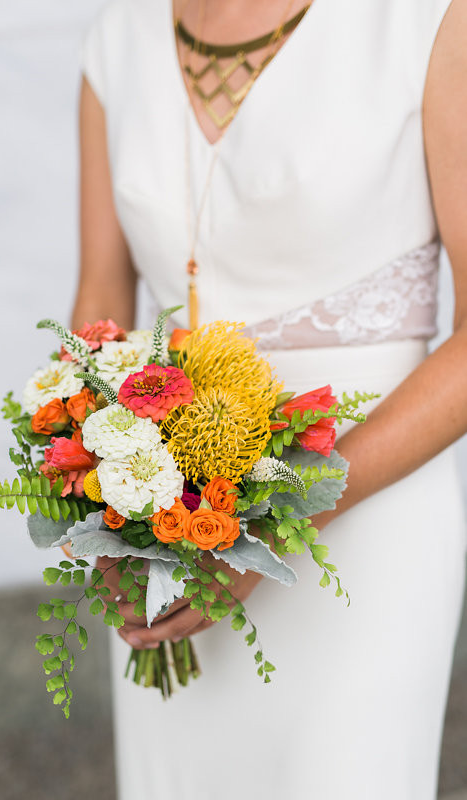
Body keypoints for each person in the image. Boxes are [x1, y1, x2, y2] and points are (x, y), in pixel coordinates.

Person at [70, 1, 467, 797]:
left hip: (366, 529)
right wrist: (100, 504)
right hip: (175, 533)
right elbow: (98, 311)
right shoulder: (118, 37)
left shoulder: (429, 22)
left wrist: (282, 519)